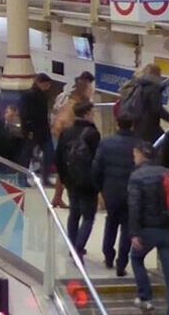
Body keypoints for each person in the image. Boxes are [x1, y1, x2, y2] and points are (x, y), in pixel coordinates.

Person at [124, 142, 169, 315]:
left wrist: (134, 233)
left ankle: (145, 297)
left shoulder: (137, 177)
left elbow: (134, 207)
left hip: (148, 230)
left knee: (136, 258)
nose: (133, 158)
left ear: (141, 155)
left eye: (134, 154)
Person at [91, 111, 140, 276]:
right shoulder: (139, 144)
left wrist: (99, 189)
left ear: (117, 124)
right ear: (133, 125)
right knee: (127, 227)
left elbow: (96, 168)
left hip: (110, 190)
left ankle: (108, 255)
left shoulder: (106, 143)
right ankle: (122, 262)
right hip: (132, 191)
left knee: (111, 222)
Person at [57, 100, 102, 259]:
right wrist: (98, 182)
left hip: (71, 180)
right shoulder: (93, 134)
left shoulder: (66, 132)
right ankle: (78, 247)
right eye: (92, 112)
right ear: (87, 114)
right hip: (88, 182)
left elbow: (59, 157)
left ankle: (72, 245)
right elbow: (98, 160)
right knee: (88, 217)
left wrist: (64, 178)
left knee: (74, 214)